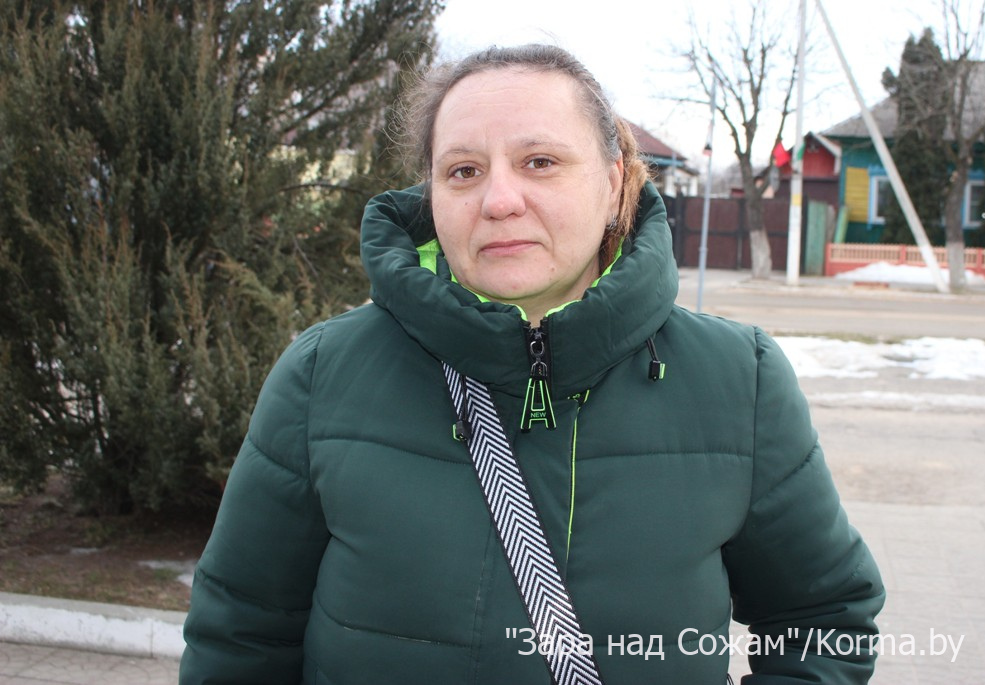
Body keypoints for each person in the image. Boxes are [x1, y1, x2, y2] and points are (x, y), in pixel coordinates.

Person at [180, 44, 884, 684]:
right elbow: (239, 636)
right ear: (432, 198)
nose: (499, 200)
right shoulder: (324, 374)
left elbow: (824, 622)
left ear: (612, 183)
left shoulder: (739, 379)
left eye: (539, 162)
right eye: (464, 171)